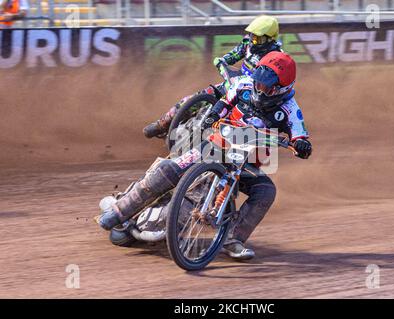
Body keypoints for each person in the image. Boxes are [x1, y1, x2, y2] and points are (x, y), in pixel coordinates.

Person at [99, 51, 313, 260]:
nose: (259, 87)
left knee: (266, 191)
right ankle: (120, 211)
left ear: (281, 89)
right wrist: (213, 116)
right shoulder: (243, 84)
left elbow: (300, 135)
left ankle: (232, 239)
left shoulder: (291, 110)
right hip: (216, 144)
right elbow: (224, 103)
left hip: (247, 163)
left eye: (266, 86)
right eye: (258, 81)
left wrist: (301, 145)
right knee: (169, 169)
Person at [142, 15, 283, 139]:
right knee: (193, 99)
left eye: (257, 38)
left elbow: (278, 85)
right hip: (232, 84)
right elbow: (234, 55)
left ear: (270, 39)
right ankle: (162, 124)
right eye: (252, 35)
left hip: (251, 98)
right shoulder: (248, 43)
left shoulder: (277, 57)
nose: (253, 40)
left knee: (237, 128)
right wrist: (223, 61)